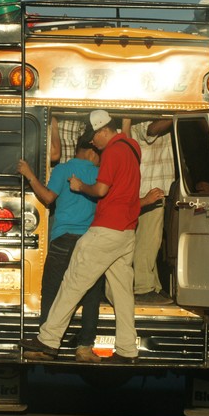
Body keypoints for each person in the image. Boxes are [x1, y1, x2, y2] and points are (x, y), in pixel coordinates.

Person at [21, 109, 142, 364]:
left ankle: (48, 339)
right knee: (121, 294)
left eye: (93, 138)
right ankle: (127, 350)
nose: (93, 144)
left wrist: (79, 187)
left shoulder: (112, 151)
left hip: (106, 229)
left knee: (73, 283)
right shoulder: (132, 149)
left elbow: (100, 190)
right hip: (127, 231)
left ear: (103, 131)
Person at [17, 135, 105, 363]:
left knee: (53, 291)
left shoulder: (63, 170)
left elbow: (47, 198)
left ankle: (46, 346)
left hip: (63, 239)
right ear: (91, 151)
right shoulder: (99, 173)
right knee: (92, 293)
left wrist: (29, 176)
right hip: (90, 240)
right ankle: (85, 348)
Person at [126, 117, 175, 304]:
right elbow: (151, 131)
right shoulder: (142, 121)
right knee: (147, 242)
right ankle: (142, 288)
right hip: (149, 191)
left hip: (154, 191)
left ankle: (153, 285)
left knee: (151, 243)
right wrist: (175, 113)